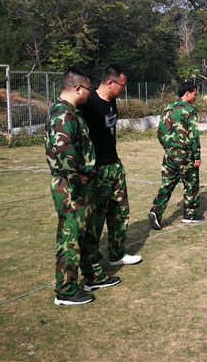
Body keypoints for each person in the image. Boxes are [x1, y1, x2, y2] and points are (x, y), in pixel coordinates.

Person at [45, 68, 121, 306]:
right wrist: (78, 176)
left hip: (80, 182)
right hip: (70, 185)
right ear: (77, 89)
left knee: (87, 233)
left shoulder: (72, 112)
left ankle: (94, 277)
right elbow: (63, 150)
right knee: (71, 237)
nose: (90, 93)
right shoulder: (62, 114)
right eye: (88, 89)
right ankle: (65, 291)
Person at [81, 64, 142, 268]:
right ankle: (91, 262)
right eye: (122, 85)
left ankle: (117, 253)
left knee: (120, 212)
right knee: (96, 218)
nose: (124, 89)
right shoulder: (88, 103)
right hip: (96, 169)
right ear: (110, 83)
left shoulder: (112, 101)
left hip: (114, 165)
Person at [149, 81, 203, 230]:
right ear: (187, 93)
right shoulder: (190, 110)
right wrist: (197, 155)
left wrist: (169, 148)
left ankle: (156, 210)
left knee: (167, 184)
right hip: (185, 154)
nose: (195, 97)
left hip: (169, 154)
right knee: (191, 182)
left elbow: (160, 132)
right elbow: (194, 135)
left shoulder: (167, 108)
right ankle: (190, 215)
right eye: (194, 94)